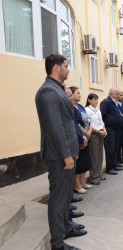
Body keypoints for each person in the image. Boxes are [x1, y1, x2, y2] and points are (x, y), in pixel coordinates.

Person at [35, 54, 84, 250]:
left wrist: (73, 150)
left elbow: (66, 122)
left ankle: (66, 227)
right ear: (56, 68)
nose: (68, 69)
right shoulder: (48, 92)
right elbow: (55, 127)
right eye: (66, 66)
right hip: (59, 155)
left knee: (65, 197)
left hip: (67, 152)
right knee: (58, 199)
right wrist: (66, 154)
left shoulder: (57, 89)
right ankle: (57, 244)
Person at [69, 86, 93, 194]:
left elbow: (88, 119)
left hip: (86, 136)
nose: (80, 95)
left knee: (85, 161)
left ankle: (83, 182)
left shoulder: (80, 106)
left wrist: (90, 131)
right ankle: (76, 185)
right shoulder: (71, 108)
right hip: (80, 136)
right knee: (78, 163)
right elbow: (76, 124)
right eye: (78, 93)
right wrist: (85, 133)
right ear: (72, 95)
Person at [100, 88, 123, 175]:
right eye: (117, 94)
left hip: (117, 128)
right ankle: (109, 168)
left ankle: (114, 164)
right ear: (111, 94)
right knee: (110, 148)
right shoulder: (106, 102)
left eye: (119, 94)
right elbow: (102, 115)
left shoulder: (115, 103)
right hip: (109, 128)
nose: (118, 95)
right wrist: (104, 127)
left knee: (115, 147)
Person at [85, 93, 107, 185]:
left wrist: (104, 130)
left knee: (99, 154)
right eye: (94, 99)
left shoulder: (98, 110)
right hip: (94, 133)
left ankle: (99, 174)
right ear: (89, 100)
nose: (96, 101)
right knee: (94, 155)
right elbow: (89, 125)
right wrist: (98, 131)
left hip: (101, 132)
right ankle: (94, 177)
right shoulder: (87, 110)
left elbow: (101, 121)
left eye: (97, 99)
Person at [116, 90, 123, 165]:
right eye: (119, 95)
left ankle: (120, 158)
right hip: (118, 127)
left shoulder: (122, 104)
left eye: (122, 95)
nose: (121, 96)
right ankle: (117, 159)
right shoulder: (116, 104)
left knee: (121, 143)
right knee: (117, 145)